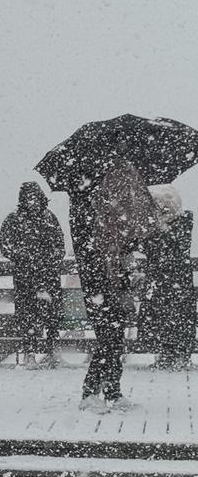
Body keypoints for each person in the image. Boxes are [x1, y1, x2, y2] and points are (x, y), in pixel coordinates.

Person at [70, 158, 161, 413]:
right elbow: (90, 250)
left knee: (115, 338)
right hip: (98, 282)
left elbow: (133, 244)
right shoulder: (87, 211)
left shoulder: (119, 219)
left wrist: (130, 251)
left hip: (115, 282)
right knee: (108, 338)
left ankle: (112, 390)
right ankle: (90, 393)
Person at [0, 181, 65, 367]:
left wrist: (48, 259)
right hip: (25, 277)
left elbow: (60, 247)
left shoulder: (49, 218)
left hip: (48, 276)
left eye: (35, 197)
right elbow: (6, 247)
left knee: (52, 315)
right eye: (29, 198)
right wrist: (26, 257)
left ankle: (52, 352)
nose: (32, 201)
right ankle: (30, 352)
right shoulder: (13, 220)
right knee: (27, 315)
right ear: (23, 199)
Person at [138, 185, 195, 369]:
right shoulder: (155, 227)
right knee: (162, 316)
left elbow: (174, 250)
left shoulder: (183, 223)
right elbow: (148, 249)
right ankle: (166, 353)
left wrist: (160, 230)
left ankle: (180, 355)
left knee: (179, 316)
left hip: (174, 279)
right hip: (163, 280)